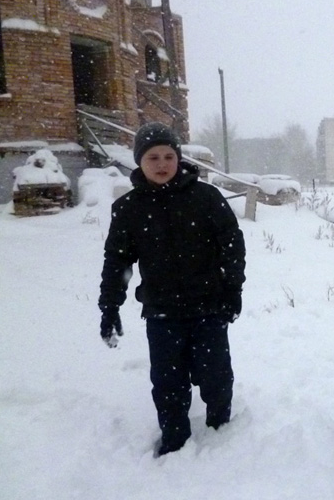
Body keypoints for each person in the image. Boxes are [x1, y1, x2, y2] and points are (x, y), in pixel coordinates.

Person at [98, 122, 246, 457]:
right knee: (168, 381)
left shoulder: (205, 198)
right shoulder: (129, 208)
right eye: (153, 157)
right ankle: (174, 438)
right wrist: (110, 307)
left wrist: (232, 290)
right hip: (162, 312)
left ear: (178, 158)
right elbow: (117, 261)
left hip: (209, 306)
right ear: (140, 161)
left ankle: (221, 429)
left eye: (169, 156)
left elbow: (232, 245)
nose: (162, 164)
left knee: (215, 374)